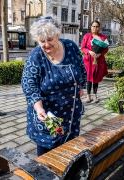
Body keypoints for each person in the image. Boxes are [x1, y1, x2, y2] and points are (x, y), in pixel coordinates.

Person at [21, 16, 86, 156]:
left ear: (58, 34)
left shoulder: (71, 47)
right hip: (49, 115)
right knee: (48, 154)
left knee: (68, 148)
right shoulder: (36, 56)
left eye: (50, 40)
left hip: (71, 112)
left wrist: (81, 86)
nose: (46, 45)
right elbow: (29, 84)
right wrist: (38, 107)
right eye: (41, 41)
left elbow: (81, 67)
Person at [81, 20, 109, 103]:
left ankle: (95, 96)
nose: (95, 28)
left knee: (96, 79)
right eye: (93, 26)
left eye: (97, 26)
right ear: (91, 27)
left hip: (98, 61)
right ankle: (88, 96)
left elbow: (106, 48)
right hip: (88, 61)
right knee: (89, 79)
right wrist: (89, 52)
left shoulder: (103, 37)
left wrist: (100, 54)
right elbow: (83, 48)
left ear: (99, 28)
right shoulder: (87, 36)